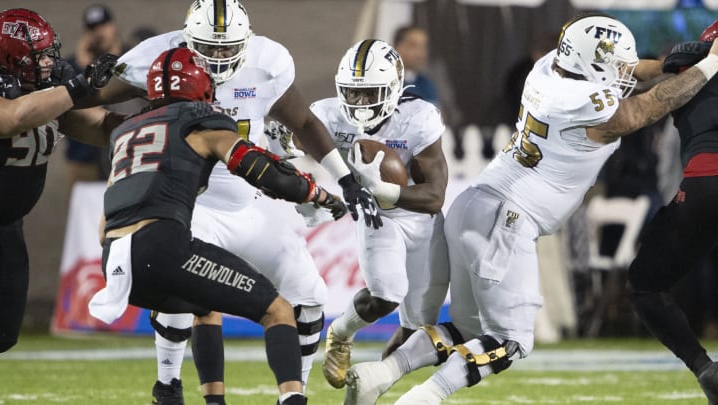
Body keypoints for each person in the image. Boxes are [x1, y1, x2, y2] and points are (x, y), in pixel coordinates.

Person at [339, 12, 718, 405]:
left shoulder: (549, 68)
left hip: (476, 206)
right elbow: (645, 108)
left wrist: (673, 62)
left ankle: (381, 374)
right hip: (507, 219)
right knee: (512, 341)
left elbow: (630, 70)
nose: (624, 72)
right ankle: (423, 399)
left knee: (469, 331)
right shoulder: (581, 100)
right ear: (594, 67)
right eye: (617, 66)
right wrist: (709, 65)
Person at [78, 1, 381, 404]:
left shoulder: (266, 62)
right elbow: (264, 169)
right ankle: (169, 383)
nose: (218, 58)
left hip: (243, 205)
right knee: (194, 298)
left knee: (310, 294)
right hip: (192, 203)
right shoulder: (158, 59)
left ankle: (293, 393)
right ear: (186, 44)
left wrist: (342, 179)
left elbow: (303, 124)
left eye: (228, 48)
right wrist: (318, 192)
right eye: (208, 49)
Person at [314, 39, 449, 392]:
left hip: (419, 215)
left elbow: (434, 196)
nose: (359, 103)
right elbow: (287, 144)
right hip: (378, 217)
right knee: (386, 296)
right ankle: (341, 332)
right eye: (352, 93)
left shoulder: (418, 118)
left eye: (369, 92)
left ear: (392, 87)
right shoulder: (327, 114)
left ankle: (371, 387)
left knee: (418, 327)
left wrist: (383, 189)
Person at [0, 8, 119, 354]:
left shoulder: (45, 92)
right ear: (12, 58)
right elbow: (12, 118)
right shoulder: (21, 96)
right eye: (41, 57)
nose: (50, 63)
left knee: (3, 334)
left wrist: (148, 123)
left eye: (51, 54)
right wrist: (78, 85)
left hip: (8, 225)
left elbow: (96, 126)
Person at [627, 20, 718, 404]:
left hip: (706, 180)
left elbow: (634, 99)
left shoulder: (689, 64)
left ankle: (704, 368)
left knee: (645, 284)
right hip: (704, 178)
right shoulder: (688, 62)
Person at [64, 4, 127, 187]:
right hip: (83, 161)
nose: (99, 32)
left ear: (113, 25)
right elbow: (66, 95)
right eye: (93, 28)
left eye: (103, 25)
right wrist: (80, 63)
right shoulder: (73, 67)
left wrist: (113, 57)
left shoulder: (130, 57)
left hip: (123, 158)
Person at [393, 26, 438, 106]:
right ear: (399, 47)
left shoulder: (427, 83)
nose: (421, 53)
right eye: (414, 46)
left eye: (423, 47)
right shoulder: (384, 82)